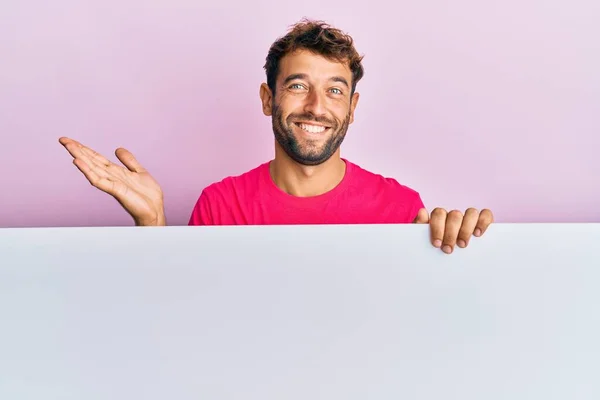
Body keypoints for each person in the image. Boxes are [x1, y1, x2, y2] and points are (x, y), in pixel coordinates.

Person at [59, 18, 493, 255]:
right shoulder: (221, 205)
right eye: (298, 86)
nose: (317, 107)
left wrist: (461, 253)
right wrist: (153, 224)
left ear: (352, 110)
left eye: (335, 91)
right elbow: (187, 318)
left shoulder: (399, 207)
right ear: (269, 99)